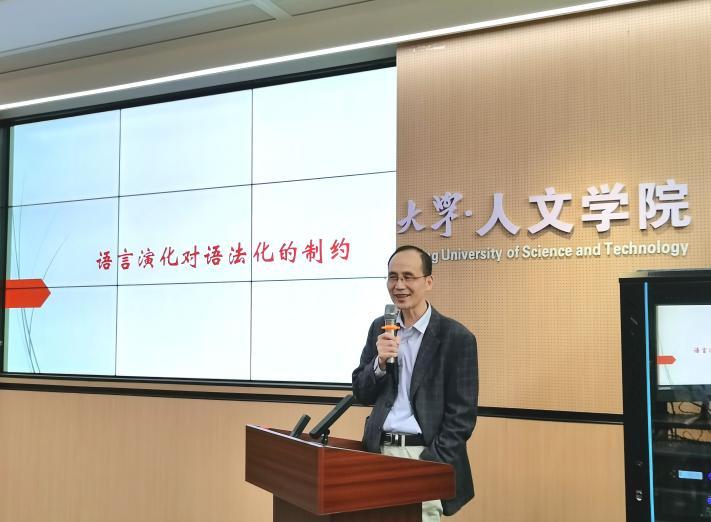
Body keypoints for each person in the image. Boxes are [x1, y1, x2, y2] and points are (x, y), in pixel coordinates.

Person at [352, 245, 478, 521]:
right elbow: (361, 392)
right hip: (377, 452)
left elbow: (462, 416)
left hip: (422, 454)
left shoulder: (456, 338)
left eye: (408, 277)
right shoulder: (380, 327)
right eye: (392, 277)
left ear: (428, 282)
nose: (399, 285)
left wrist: (431, 461)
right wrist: (379, 363)